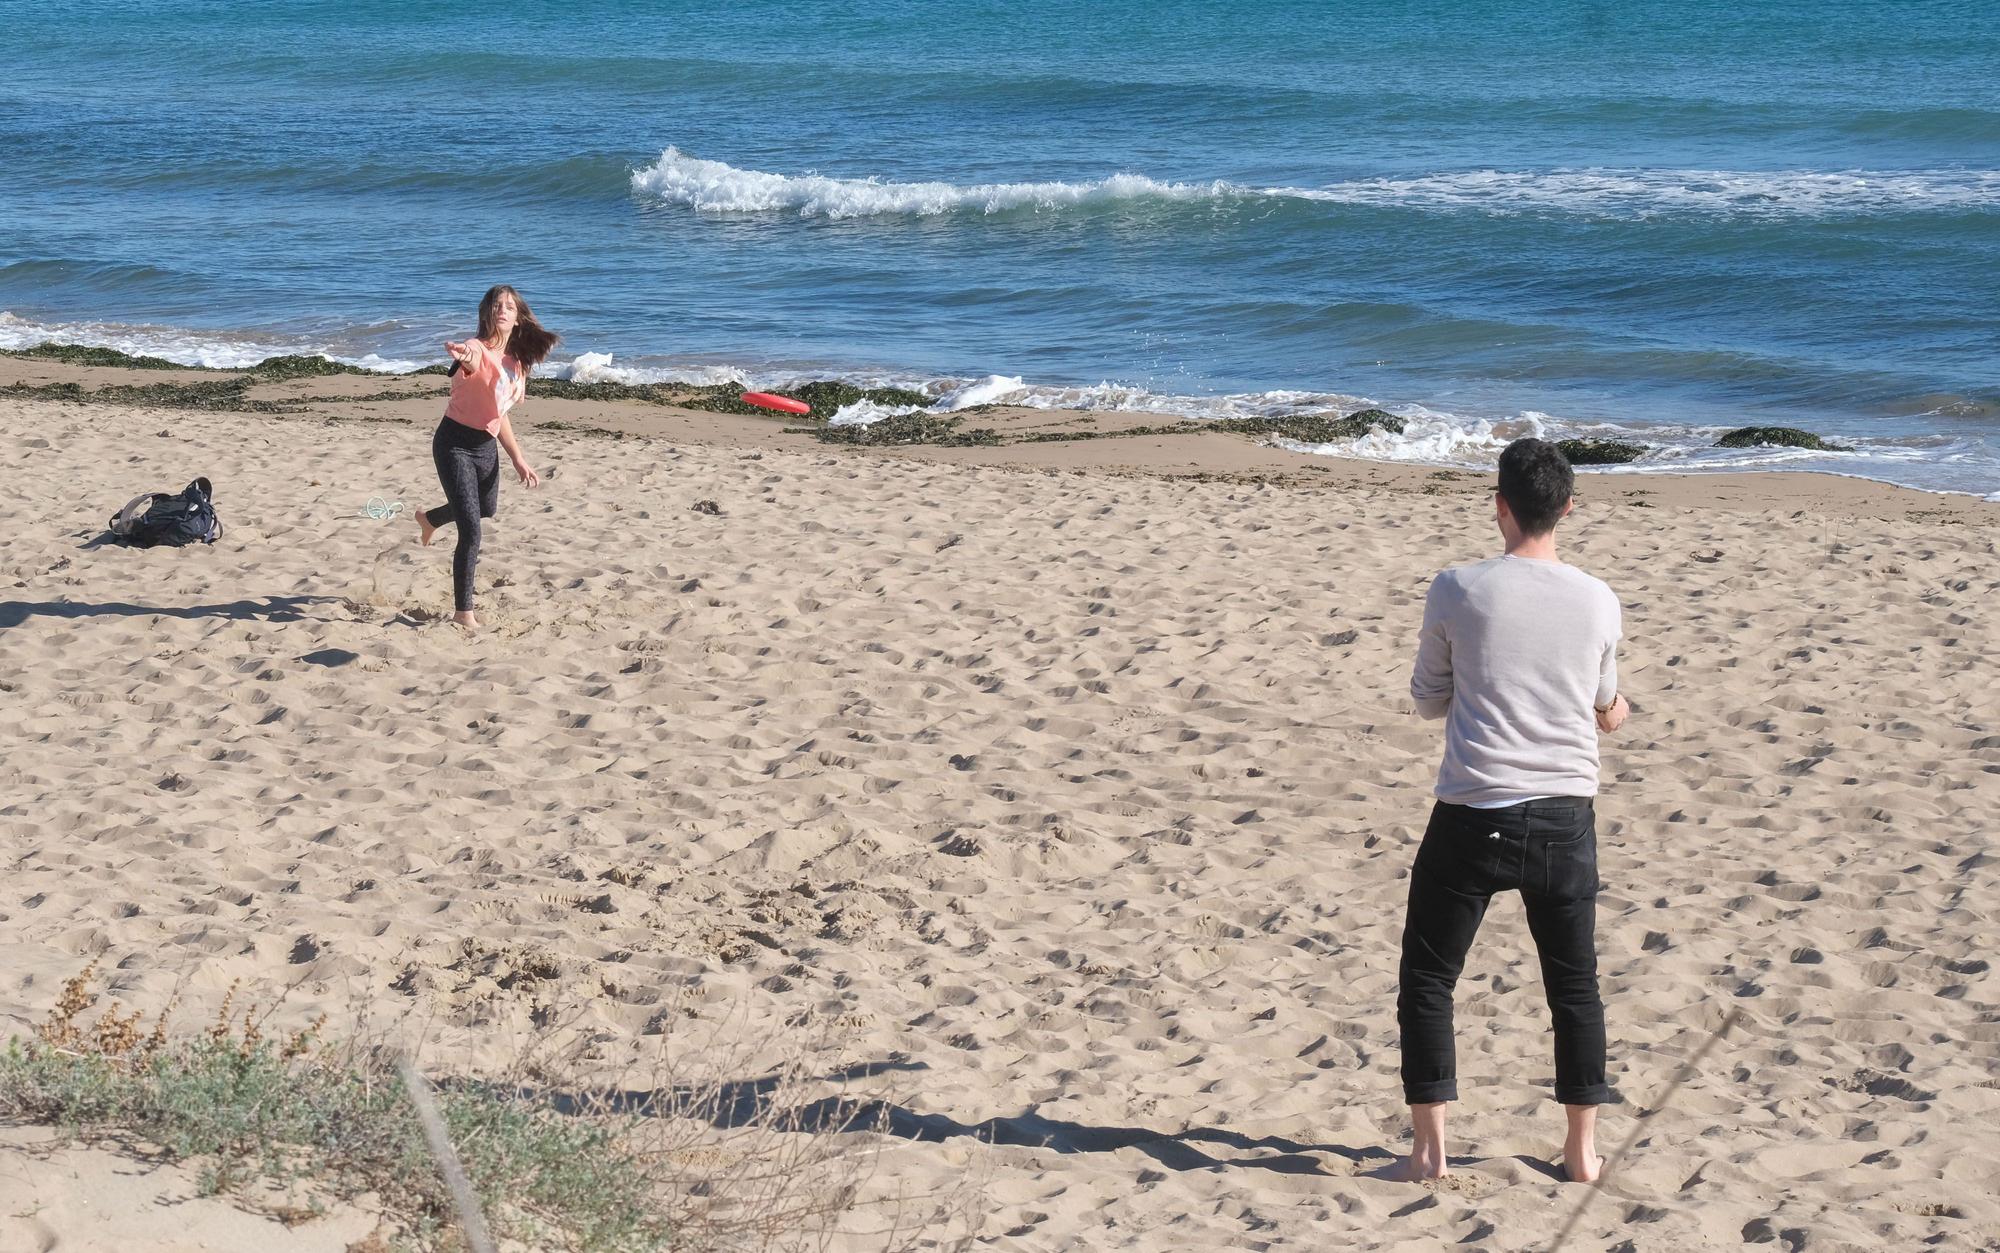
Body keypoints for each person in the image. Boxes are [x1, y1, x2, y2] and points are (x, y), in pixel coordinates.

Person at [1396, 436, 1630, 1184]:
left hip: (1472, 810)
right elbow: (1604, 704)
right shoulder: (1597, 597)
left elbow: (1428, 698)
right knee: (1574, 984)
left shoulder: (1458, 587)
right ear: (1566, 507)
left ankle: (1429, 1153)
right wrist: (1615, 709)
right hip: (1564, 816)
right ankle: (1581, 1151)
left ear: (1499, 504)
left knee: (1430, 977)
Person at [413, 285, 558, 630]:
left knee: (486, 508)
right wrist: (462, 356)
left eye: (509, 306)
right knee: (471, 531)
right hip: (453, 445)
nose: (502, 311)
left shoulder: (516, 363)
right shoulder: (476, 349)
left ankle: (430, 520)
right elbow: (472, 359)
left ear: (519, 316)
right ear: (487, 313)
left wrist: (518, 459)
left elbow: (500, 414)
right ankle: (464, 615)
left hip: (485, 447)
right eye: (496, 306)